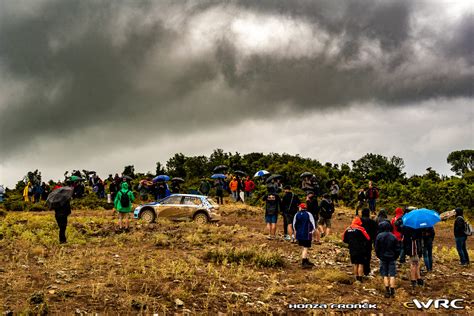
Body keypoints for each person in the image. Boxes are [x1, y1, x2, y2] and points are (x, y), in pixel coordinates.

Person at [375, 221, 401, 298]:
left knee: (384, 274)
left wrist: (379, 256)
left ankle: (387, 290)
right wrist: (395, 257)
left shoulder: (379, 236)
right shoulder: (393, 237)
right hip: (392, 257)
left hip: (383, 257)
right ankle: (392, 290)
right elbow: (397, 249)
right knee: (392, 274)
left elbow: (376, 248)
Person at [343, 217, 371, 282]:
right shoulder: (361, 229)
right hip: (361, 249)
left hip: (352, 249)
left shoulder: (348, 229)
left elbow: (344, 239)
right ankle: (360, 278)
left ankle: (356, 277)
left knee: (355, 263)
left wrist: (350, 242)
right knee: (361, 263)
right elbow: (368, 238)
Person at [293, 203, 316, 268]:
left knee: (303, 247)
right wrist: (312, 231)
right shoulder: (309, 214)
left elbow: (294, 224)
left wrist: (296, 232)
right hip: (307, 233)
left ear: (301, 208)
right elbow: (313, 223)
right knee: (306, 247)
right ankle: (304, 262)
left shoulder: (296, 214)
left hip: (299, 234)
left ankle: (305, 259)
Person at [361, 208, 377, 276]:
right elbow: (375, 232)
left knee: (360, 256)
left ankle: (360, 272)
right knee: (368, 256)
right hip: (368, 241)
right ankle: (366, 271)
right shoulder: (372, 222)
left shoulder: (359, 221)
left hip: (360, 241)